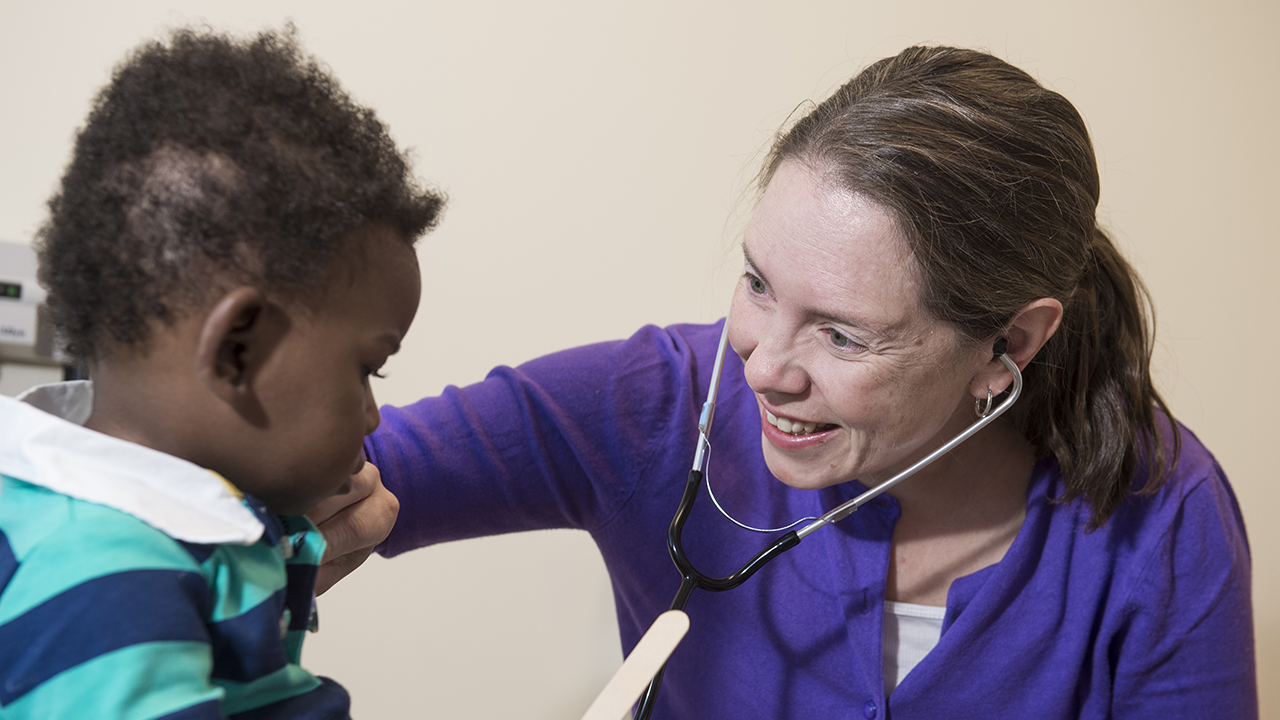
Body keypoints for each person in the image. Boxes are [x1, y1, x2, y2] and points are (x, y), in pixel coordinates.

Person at [320, 46, 1257, 717]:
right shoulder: (659, 402)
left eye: (844, 336)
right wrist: (260, 527)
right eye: (759, 283)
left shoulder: (1160, 514)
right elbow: (303, 467)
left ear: (1007, 343)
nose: (762, 367)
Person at [0, 27, 441, 719]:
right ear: (238, 350)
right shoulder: (105, 582)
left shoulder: (152, 521)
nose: (373, 417)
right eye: (367, 371)